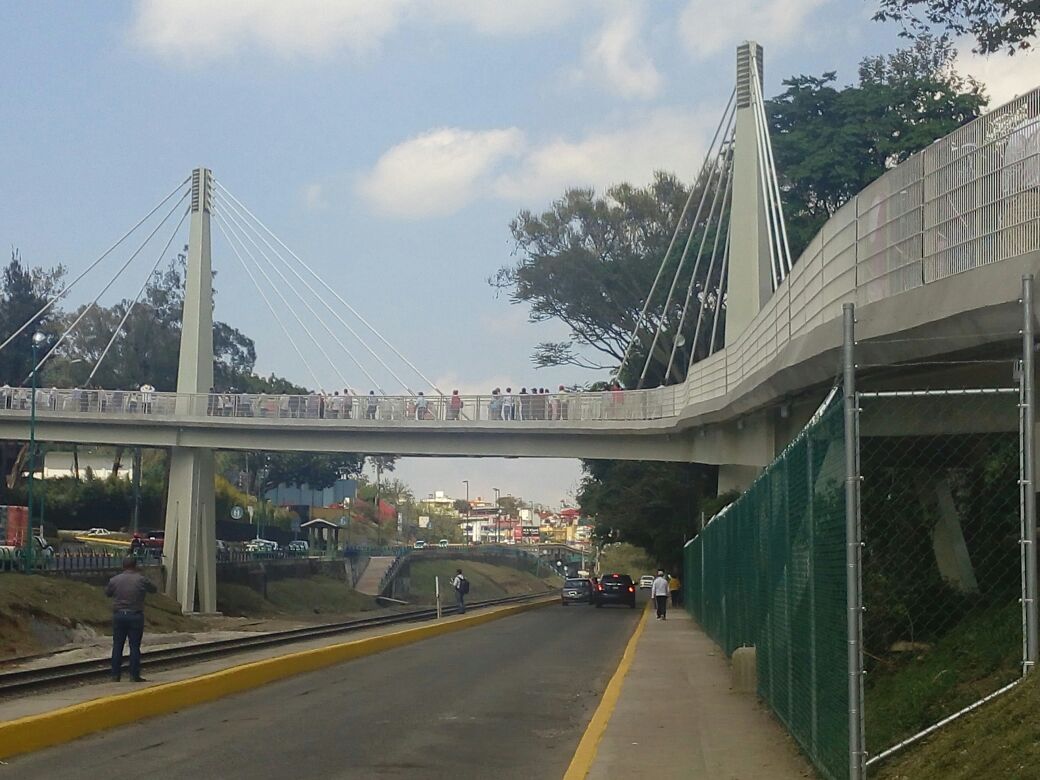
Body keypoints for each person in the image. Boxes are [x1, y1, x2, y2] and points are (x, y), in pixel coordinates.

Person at [105, 556, 157, 681]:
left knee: (117, 645)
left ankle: (115, 675)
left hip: (119, 615)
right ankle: (134, 675)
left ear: (123, 566)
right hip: (135, 615)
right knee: (134, 646)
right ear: (135, 566)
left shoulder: (114, 580)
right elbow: (153, 589)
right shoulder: (141, 579)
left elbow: (108, 593)